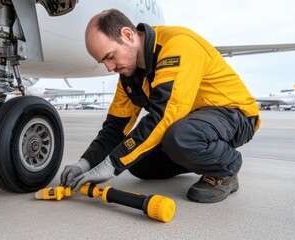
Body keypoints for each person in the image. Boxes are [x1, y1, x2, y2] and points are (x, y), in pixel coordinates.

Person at [60, 9, 260, 203]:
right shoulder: (129, 74)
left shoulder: (178, 46)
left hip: (235, 115)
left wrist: (111, 165)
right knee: (139, 164)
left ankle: (225, 168)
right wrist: (85, 163)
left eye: (110, 56)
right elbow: (115, 127)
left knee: (180, 137)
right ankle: (198, 156)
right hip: (193, 124)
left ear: (128, 35)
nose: (109, 68)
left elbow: (164, 116)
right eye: (103, 61)